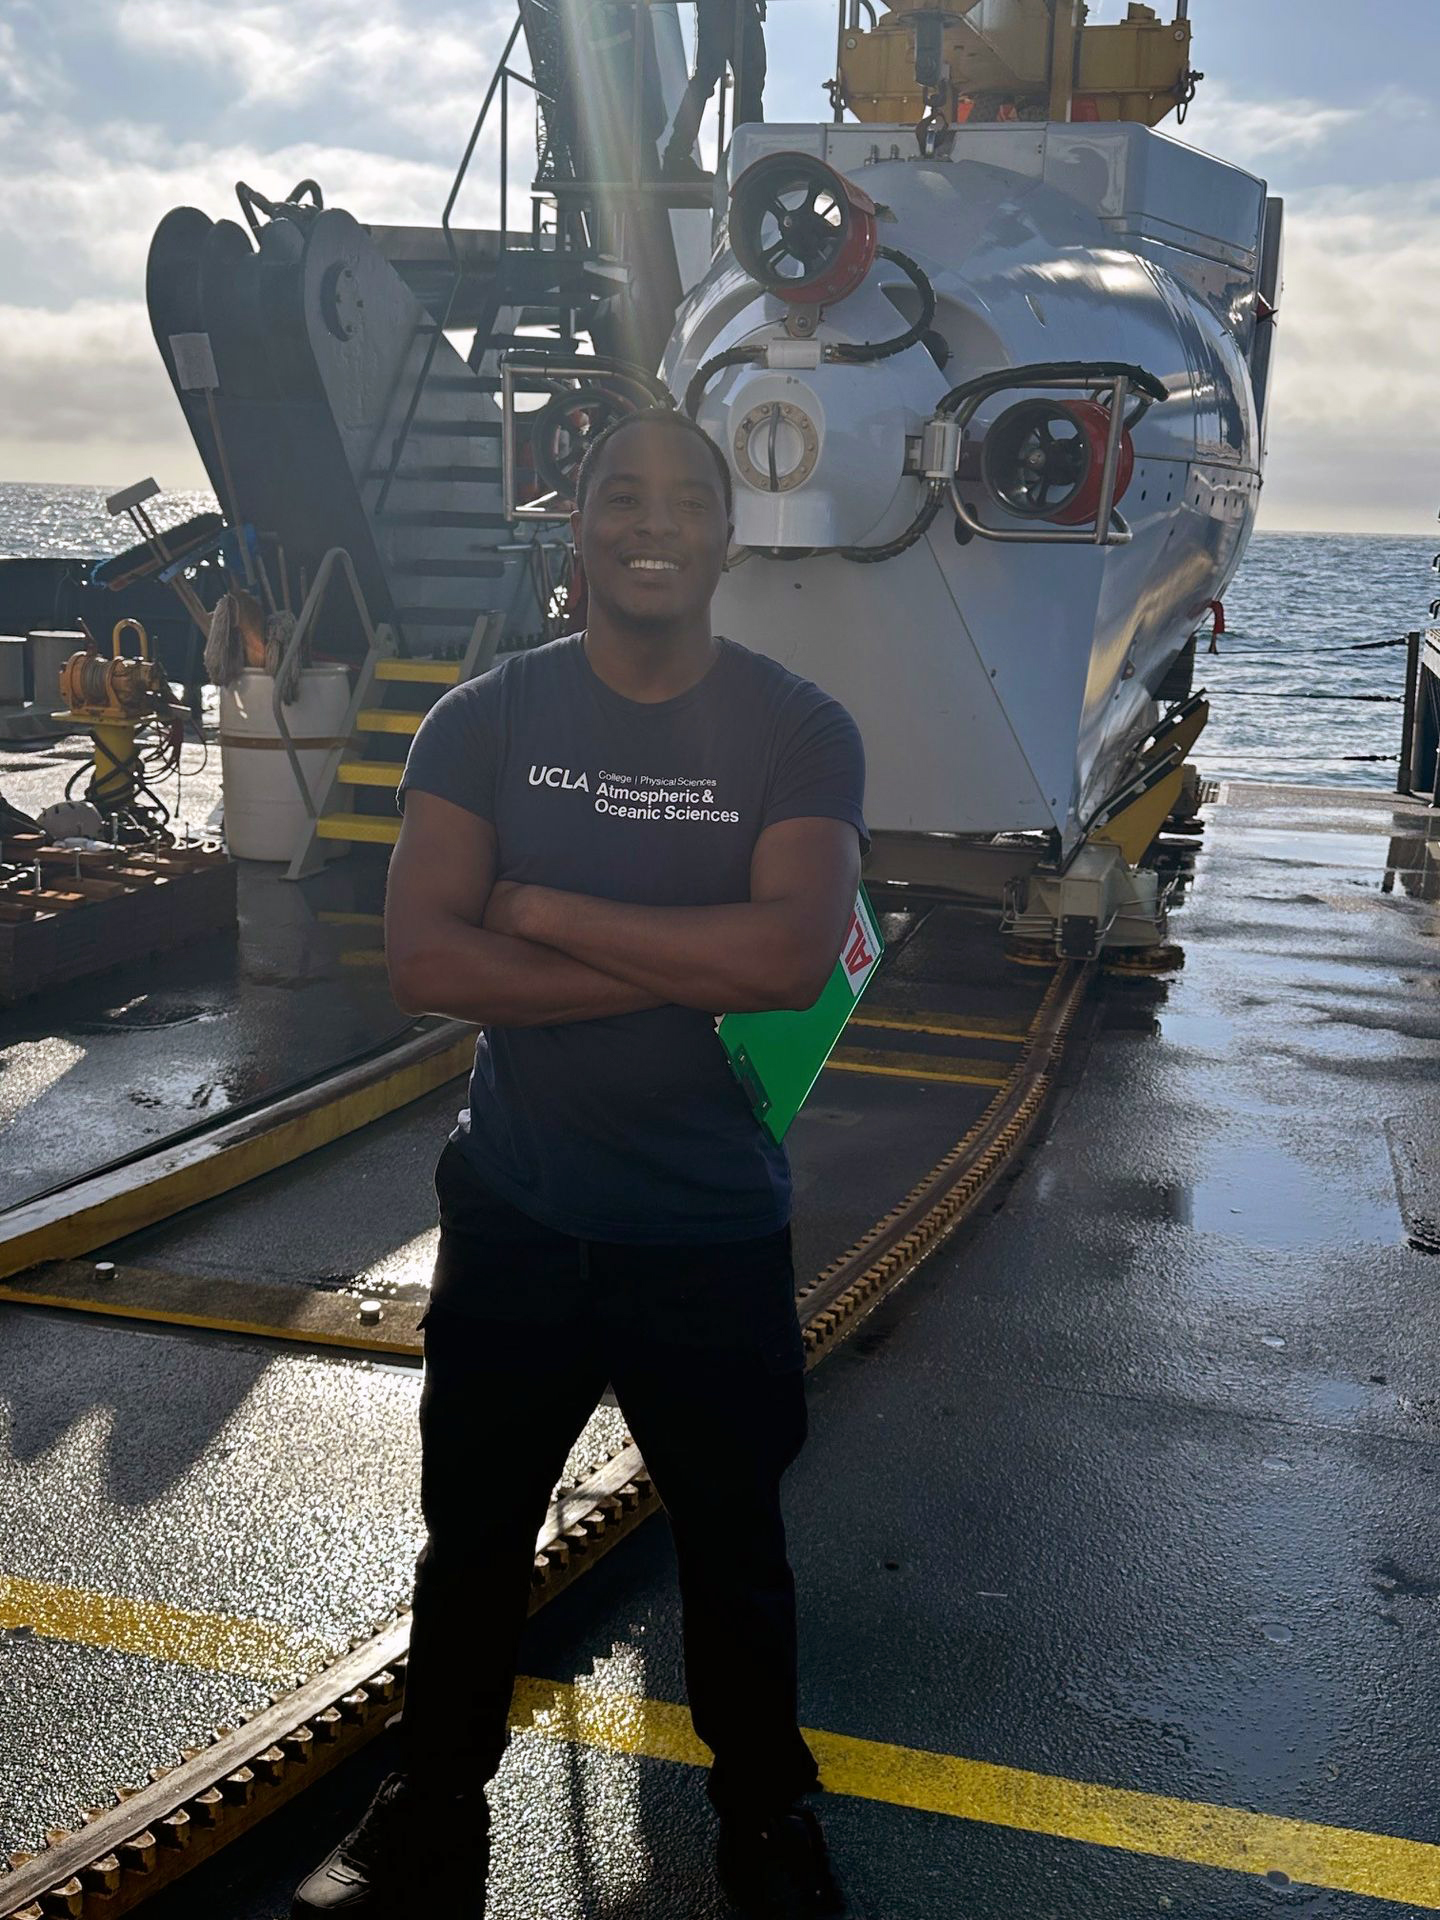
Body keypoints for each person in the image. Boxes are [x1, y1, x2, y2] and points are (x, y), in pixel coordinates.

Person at [291, 408, 866, 1920]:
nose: (653, 521)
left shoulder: (800, 729)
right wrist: (687, 965)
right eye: (623, 495)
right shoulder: (482, 721)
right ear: (577, 523)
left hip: (708, 1227)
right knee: (471, 1535)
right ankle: (431, 1806)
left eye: (689, 498)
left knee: (737, 1549)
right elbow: (424, 958)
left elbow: (795, 955)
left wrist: (543, 915)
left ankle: (763, 1812)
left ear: (730, 537)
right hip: (523, 1215)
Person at [662, 0, 766, 181]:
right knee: (712, 75)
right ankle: (678, 154)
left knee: (749, 78)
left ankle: (748, 152)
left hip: (733, 7)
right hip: (722, 7)